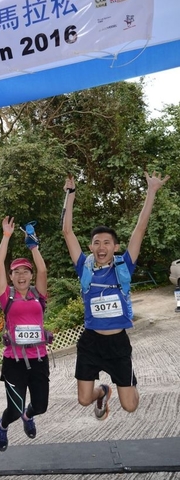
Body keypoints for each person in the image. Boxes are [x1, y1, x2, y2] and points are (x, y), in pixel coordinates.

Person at [62, 171, 170, 420]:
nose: (101, 247)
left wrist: (151, 191)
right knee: (83, 399)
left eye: (107, 243)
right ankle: (102, 392)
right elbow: (67, 232)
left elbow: (140, 228)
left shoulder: (124, 267)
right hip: (91, 343)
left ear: (115, 247)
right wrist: (70, 194)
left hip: (118, 344)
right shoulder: (84, 267)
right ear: (91, 247)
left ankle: (127, 385)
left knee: (130, 406)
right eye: (96, 242)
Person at [0, 216, 50, 452]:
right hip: (14, 361)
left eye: (25, 271)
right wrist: (6, 236)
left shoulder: (38, 295)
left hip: (39, 359)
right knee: (14, 410)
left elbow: (43, 269)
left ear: (30, 275)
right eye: (16, 272)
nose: (21, 275)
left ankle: (29, 415)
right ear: (11, 277)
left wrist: (33, 247)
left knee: (41, 406)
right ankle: (3, 425)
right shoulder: (6, 296)